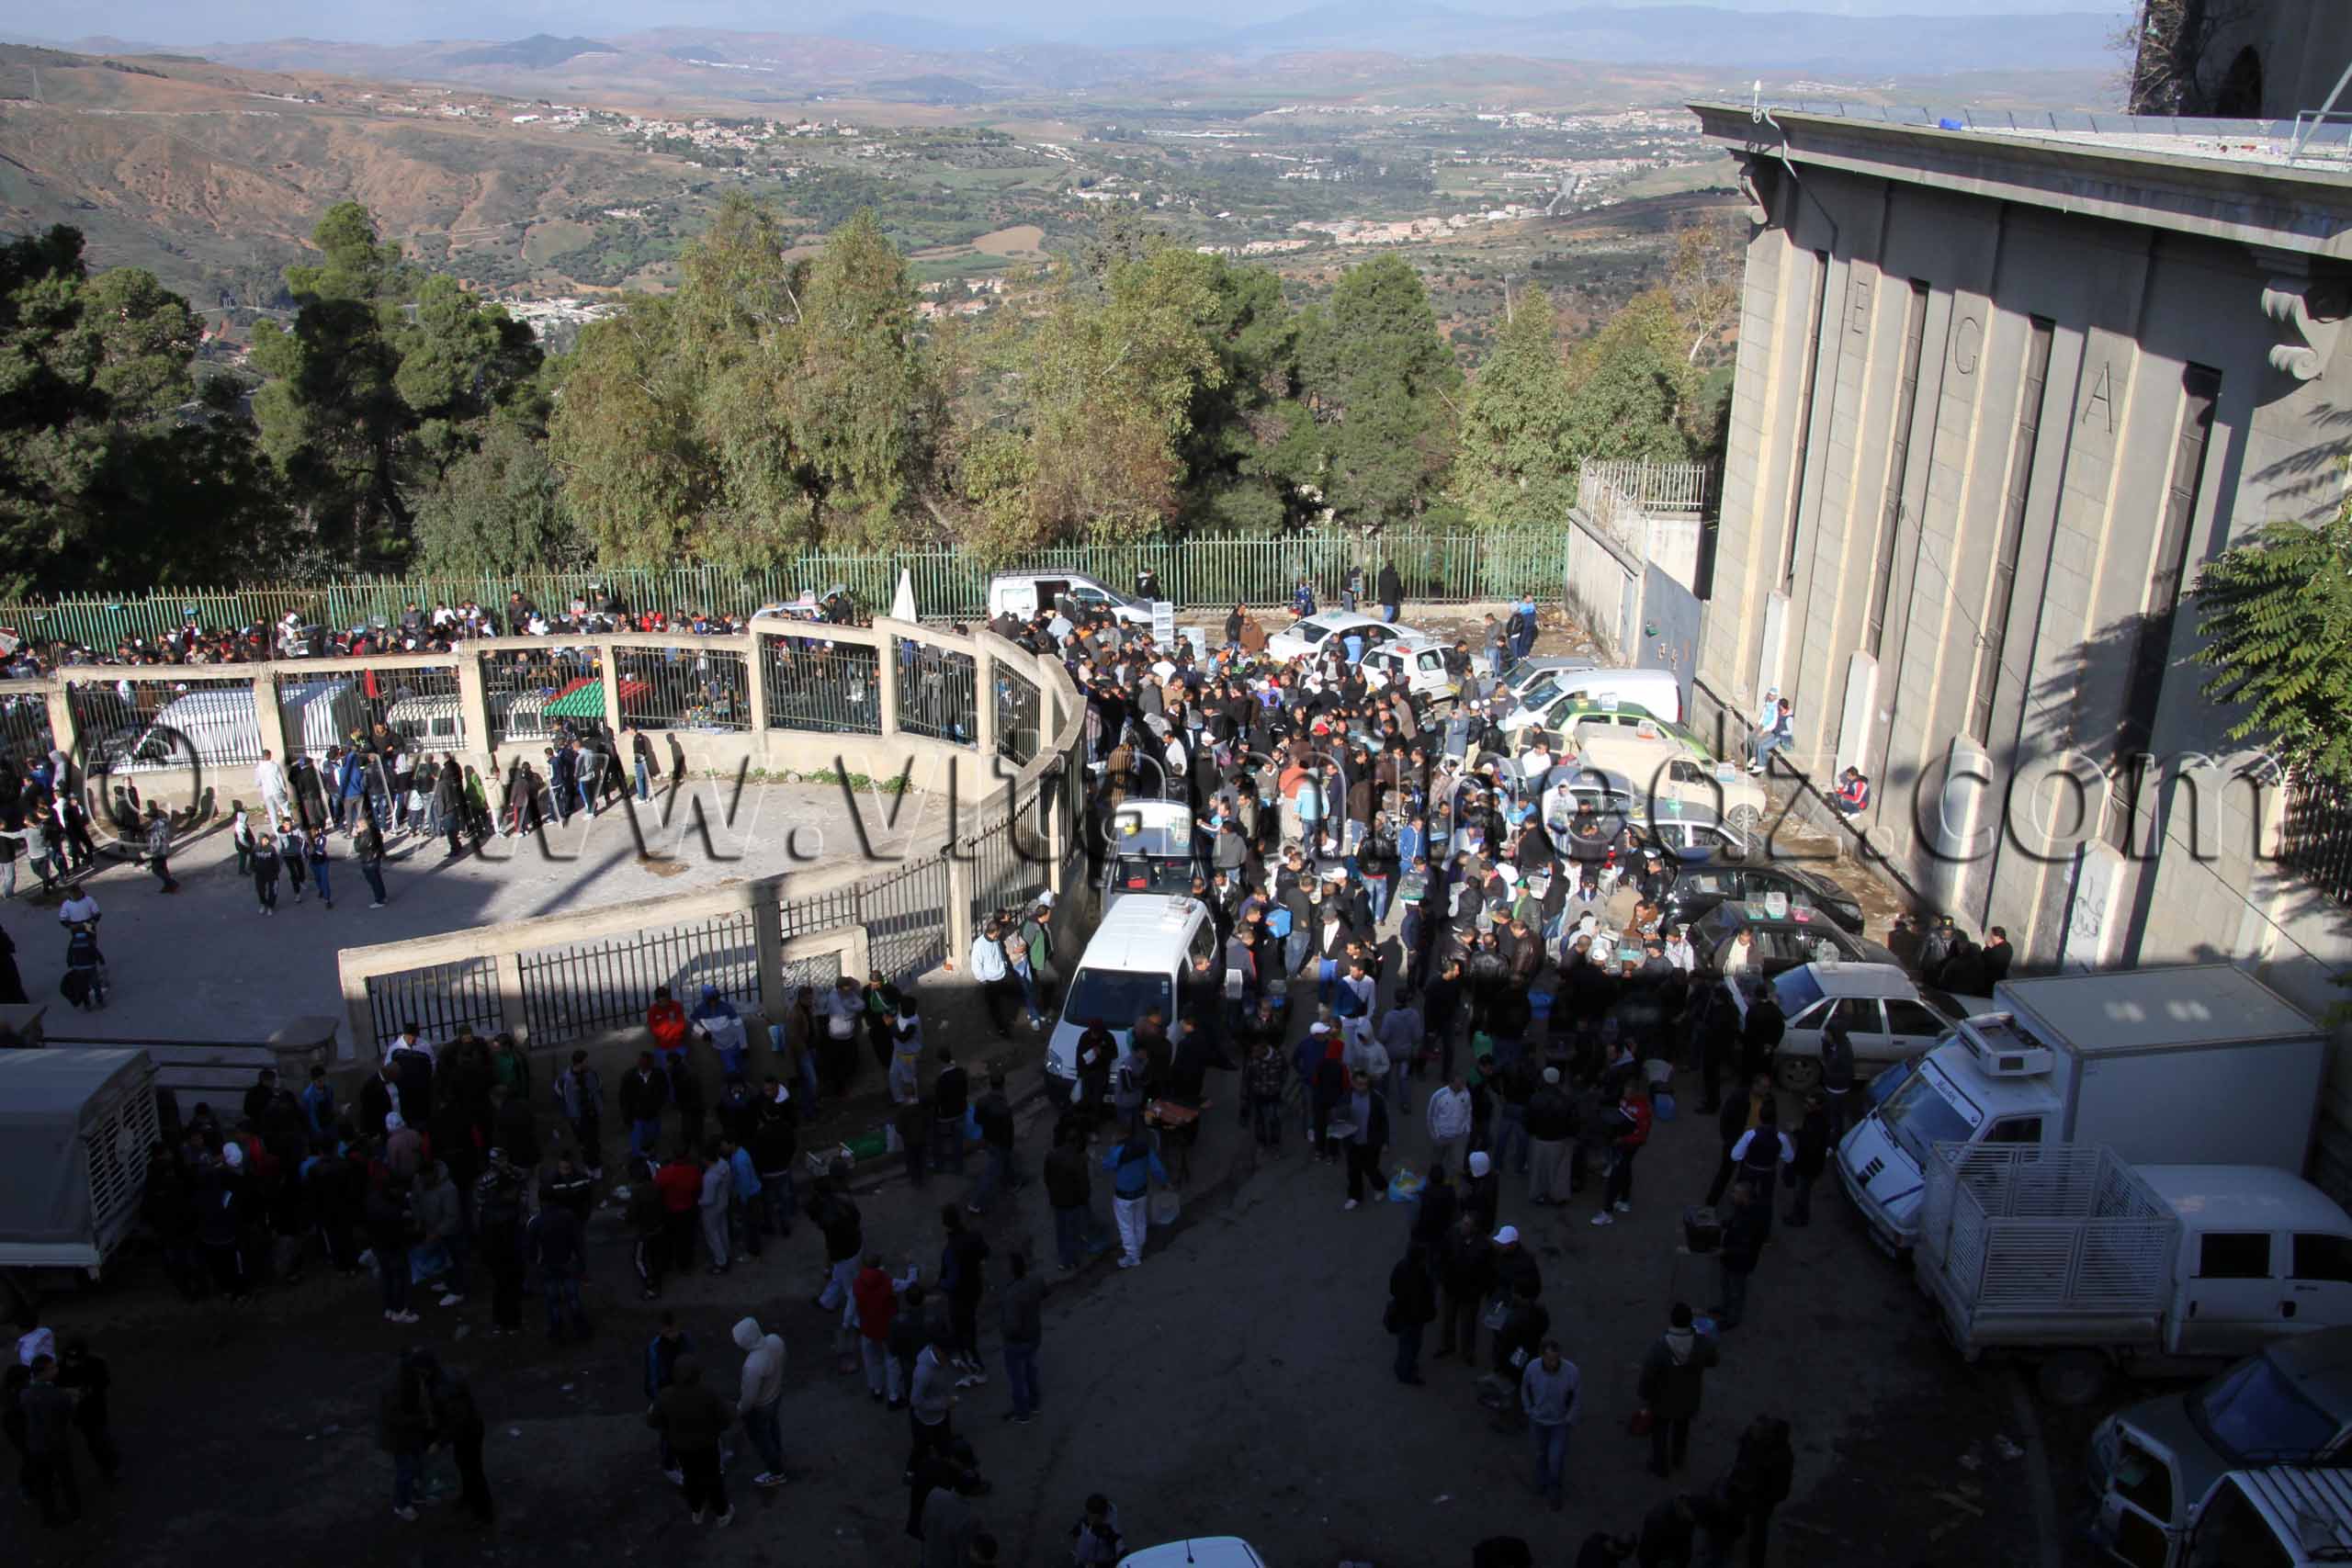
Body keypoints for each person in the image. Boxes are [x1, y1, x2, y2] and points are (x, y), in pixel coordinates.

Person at [645, 1357, 736, 1527]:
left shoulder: (666, 1396)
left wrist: (667, 1429)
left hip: (681, 1447)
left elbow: (651, 1421)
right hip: (707, 1445)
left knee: (690, 1477)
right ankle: (722, 1513)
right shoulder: (708, 1394)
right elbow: (726, 1417)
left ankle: (697, 1510)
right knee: (713, 1477)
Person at [1636, 1303, 1719, 1478]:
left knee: (1659, 1432)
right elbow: (1713, 1361)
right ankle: (1678, 1459)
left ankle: (1660, 1466)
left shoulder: (1660, 1347)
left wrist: (1644, 1394)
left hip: (1662, 1399)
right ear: (1691, 1321)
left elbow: (1648, 1375)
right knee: (1682, 1429)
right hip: (1689, 1398)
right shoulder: (1702, 1343)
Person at [1520, 1338, 1582, 1511]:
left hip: (1559, 1424)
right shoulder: (1532, 1368)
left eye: (1556, 1359)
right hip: (1538, 1422)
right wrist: (1528, 1409)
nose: (1554, 1363)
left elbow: (1577, 1397)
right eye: (1550, 1359)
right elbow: (1524, 1388)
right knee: (1540, 1455)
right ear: (1542, 1356)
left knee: (1555, 1460)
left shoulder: (1571, 1372)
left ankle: (1553, 1490)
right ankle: (1541, 1483)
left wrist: (1569, 1419)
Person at [431, 1363, 493, 1526]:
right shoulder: (446, 1378)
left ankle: (484, 1514)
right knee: (465, 1466)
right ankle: (469, 1497)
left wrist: (439, 1442)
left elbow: (457, 1421)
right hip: (468, 1431)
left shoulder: (446, 1391)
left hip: (468, 1433)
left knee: (473, 1473)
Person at [731, 1316, 789, 1489]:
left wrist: (739, 1410)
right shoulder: (775, 1340)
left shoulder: (752, 1366)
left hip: (760, 1407)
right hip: (776, 1396)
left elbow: (748, 1398)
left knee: (761, 1440)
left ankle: (776, 1473)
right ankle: (778, 1452)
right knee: (773, 1426)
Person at [380, 1348, 435, 1522]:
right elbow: (394, 1417)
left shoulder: (407, 1374)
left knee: (416, 1464)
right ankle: (401, 1504)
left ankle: (413, 1494)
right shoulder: (397, 1386)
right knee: (406, 1468)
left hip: (409, 1431)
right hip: (399, 1435)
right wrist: (422, 1419)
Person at [1102, 1125, 1169, 1269]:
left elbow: (1106, 1165)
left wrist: (1111, 1149)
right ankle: (1139, 1248)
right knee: (1140, 1221)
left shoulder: (1117, 1151)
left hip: (1123, 1196)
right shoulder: (1144, 1147)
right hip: (1141, 1192)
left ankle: (1132, 1257)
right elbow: (1157, 1168)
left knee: (1126, 1227)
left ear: (1120, 1136)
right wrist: (1164, 1182)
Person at [1335, 1066, 1391, 1212]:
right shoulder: (1345, 1097)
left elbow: (1384, 1121)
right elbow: (1339, 1117)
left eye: (1365, 1084)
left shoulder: (1376, 1099)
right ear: (1353, 1083)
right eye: (1359, 1084)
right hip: (1352, 1142)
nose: (1362, 1087)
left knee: (1371, 1168)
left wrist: (1385, 1142)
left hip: (1371, 1142)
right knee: (1353, 1171)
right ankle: (1355, 1196)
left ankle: (1380, 1187)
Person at [1715, 1181, 1769, 1330]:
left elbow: (1746, 1247)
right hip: (1729, 1257)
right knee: (1725, 1283)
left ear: (1744, 1197)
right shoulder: (1742, 1207)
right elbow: (1734, 1221)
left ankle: (1732, 1318)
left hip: (1740, 1262)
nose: (1732, 1195)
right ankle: (1725, 1307)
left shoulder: (1753, 1218)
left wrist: (1724, 1251)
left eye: (1735, 1193)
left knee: (1737, 1290)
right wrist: (1722, 1223)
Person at [998, 1249, 1043, 1424]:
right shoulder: (1036, 1279)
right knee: (1030, 1368)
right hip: (1035, 1335)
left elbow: (1012, 1327)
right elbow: (1045, 1293)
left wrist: (1003, 1331)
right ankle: (1035, 1403)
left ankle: (1022, 1413)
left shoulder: (1011, 1295)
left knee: (1017, 1379)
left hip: (1017, 1343)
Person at [1386, 1237, 1438, 1384]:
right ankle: (1405, 1373)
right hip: (1414, 1317)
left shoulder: (1401, 1266)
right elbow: (1426, 1296)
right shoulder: (1420, 1274)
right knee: (1411, 1345)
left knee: (1405, 1343)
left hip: (1403, 1313)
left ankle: (1403, 1366)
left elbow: (1393, 1288)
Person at [1787, 1092, 1831, 1226]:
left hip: (1809, 1166)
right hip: (1808, 1163)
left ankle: (1800, 1218)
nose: (1806, 1106)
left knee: (1802, 1193)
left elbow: (1809, 1143)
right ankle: (1798, 1215)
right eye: (1805, 1102)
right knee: (1801, 1192)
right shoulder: (1812, 1117)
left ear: (1818, 1106)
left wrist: (1795, 1131)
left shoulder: (1819, 1122)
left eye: (1810, 1104)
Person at [1070, 1494, 1125, 1565]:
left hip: (1097, 1563)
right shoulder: (1090, 1517)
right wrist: (1077, 1529)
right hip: (1085, 1558)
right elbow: (1083, 1521)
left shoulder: (1109, 1531)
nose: (1088, 1518)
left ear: (1101, 1516)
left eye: (1091, 1516)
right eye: (1087, 1513)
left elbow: (1120, 1548)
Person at [1747, 696, 1792, 774]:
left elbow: (1789, 731)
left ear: (1782, 707)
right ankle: (1758, 761)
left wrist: (1782, 732)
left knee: (1764, 747)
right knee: (1759, 743)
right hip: (1775, 733)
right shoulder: (1779, 711)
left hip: (1781, 737)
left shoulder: (1789, 718)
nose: (1778, 708)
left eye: (1779, 707)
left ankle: (1762, 765)